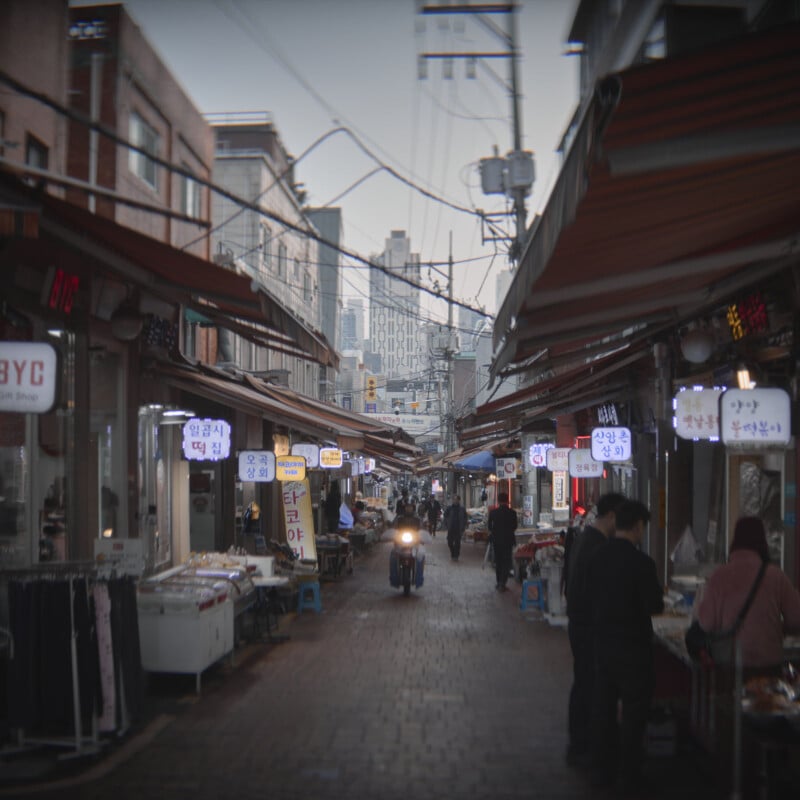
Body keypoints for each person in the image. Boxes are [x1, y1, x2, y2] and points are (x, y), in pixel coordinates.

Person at [587, 500, 664, 795]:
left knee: (603, 709)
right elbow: (654, 605)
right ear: (638, 526)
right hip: (634, 648)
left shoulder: (596, 557)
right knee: (634, 714)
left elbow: (585, 596)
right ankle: (630, 775)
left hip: (603, 644)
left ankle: (600, 772)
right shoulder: (642, 564)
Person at [565, 492, 625, 766]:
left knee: (583, 683)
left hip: (579, 624)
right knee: (591, 684)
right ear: (611, 516)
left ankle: (579, 742)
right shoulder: (597, 545)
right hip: (589, 627)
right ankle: (586, 745)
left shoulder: (584, 539)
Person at [696, 516, 800, 672]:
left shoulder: (719, 576)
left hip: (730, 665)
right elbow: (796, 619)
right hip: (769, 663)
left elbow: (707, 624)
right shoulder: (776, 576)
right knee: (765, 696)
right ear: (762, 541)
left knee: (732, 696)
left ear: (735, 540)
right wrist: (778, 628)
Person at [487, 492, 518, 591]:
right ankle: (503, 582)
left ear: (498, 500)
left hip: (496, 540)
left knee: (498, 561)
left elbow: (489, 527)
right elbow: (514, 526)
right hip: (508, 540)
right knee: (506, 561)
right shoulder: (512, 513)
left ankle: (498, 582)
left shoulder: (493, 513)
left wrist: (495, 531)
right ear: (507, 500)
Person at [443, 494, 467, 561]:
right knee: (450, 542)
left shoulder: (462, 509)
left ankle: (456, 555)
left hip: (458, 528)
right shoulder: (449, 508)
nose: (455, 501)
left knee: (457, 543)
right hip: (451, 528)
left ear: (459, 500)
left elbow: (465, 518)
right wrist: (446, 524)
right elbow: (445, 516)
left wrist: (464, 525)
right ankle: (453, 552)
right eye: (454, 499)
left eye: (456, 499)